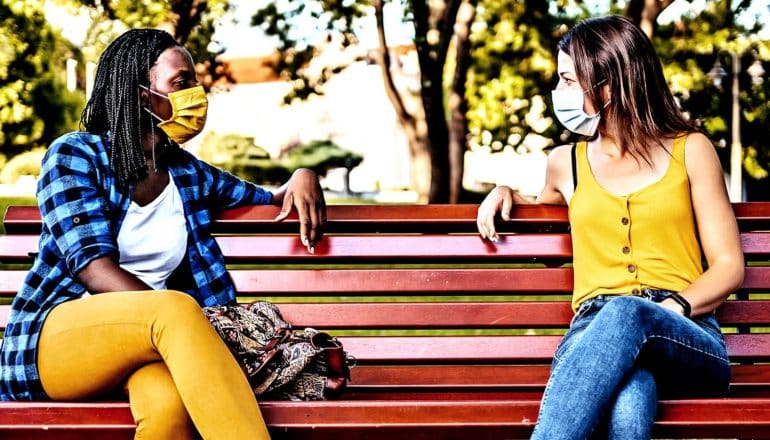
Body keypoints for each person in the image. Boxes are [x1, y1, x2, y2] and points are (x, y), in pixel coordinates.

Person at [0, 29, 326, 439]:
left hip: (150, 345)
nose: (196, 93)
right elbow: (92, 268)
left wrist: (303, 174)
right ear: (139, 92)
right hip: (56, 343)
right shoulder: (75, 155)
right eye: (181, 82)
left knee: (169, 410)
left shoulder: (187, 173)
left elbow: (269, 197)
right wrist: (175, 323)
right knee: (175, 308)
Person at [476, 16, 744, 439]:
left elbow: (729, 265)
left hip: (687, 336)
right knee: (630, 398)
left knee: (624, 312)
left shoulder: (691, 150)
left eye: (568, 80)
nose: (558, 92)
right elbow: (538, 203)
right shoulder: (566, 163)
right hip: (592, 335)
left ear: (609, 84)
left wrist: (664, 311)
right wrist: (505, 189)